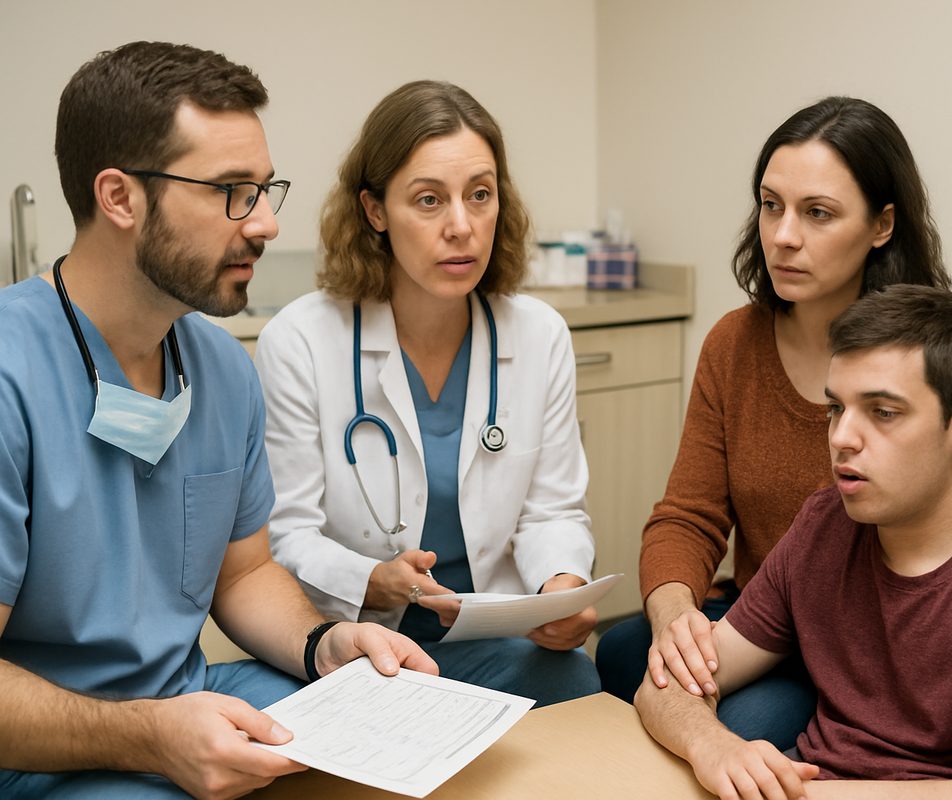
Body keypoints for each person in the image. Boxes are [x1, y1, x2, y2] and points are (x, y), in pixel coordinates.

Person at [0, 41, 437, 800]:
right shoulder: (13, 373)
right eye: (233, 191)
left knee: (408, 761)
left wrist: (321, 645)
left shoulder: (224, 369)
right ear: (120, 198)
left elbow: (244, 572)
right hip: (51, 751)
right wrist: (146, 735)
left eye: (267, 190)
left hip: (194, 699)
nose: (265, 224)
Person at [634, 285, 952, 800]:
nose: (841, 437)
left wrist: (780, 793)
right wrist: (716, 749)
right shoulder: (824, 524)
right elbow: (668, 682)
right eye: (837, 408)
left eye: (882, 412)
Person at [596, 96, 950, 746]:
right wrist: (676, 616)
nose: (784, 235)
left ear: (882, 225)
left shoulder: (926, 360)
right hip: (755, 617)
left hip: (861, 646)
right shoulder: (735, 342)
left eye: (817, 213)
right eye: (770, 205)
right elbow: (689, 514)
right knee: (623, 648)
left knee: (739, 724)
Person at [254, 80, 600, 707]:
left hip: (487, 639)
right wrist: (371, 580)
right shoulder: (301, 341)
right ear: (375, 210)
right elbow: (285, 536)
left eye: (480, 195)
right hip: (354, 642)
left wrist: (560, 587)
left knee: (574, 684)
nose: (462, 226)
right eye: (429, 200)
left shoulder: (539, 334)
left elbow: (553, 512)